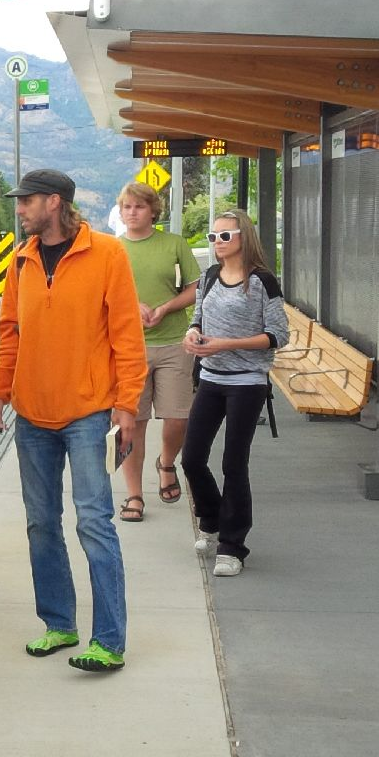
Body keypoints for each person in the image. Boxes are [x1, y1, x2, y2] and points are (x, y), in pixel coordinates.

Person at [0, 169, 146, 674]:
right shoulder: (22, 260)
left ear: (55, 203)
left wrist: (128, 404)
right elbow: (9, 332)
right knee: (40, 523)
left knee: (94, 521)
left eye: (27, 201)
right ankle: (59, 623)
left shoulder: (107, 254)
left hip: (88, 411)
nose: (20, 209)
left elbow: (126, 335)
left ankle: (109, 640)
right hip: (32, 412)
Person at [181, 209, 289, 579]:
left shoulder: (262, 281)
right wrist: (192, 334)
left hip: (247, 381)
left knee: (233, 463)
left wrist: (228, 344)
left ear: (244, 236)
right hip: (211, 377)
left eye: (224, 236)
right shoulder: (209, 276)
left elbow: (279, 334)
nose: (217, 243)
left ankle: (233, 545)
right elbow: (198, 316)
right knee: (192, 457)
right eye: (212, 237)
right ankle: (210, 520)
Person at [114, 183, 200, 523]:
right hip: (128, 347)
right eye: (126, 207)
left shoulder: (174, 244)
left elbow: (195, 288)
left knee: (178, 416)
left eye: (138, 206)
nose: (132, 212)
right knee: (132, 422)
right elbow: (103, 294)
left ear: (153, 211)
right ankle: (134, 495)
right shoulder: (113, 249)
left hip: (173, 340)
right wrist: (131, 307)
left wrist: (165, 308)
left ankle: (166, 463)